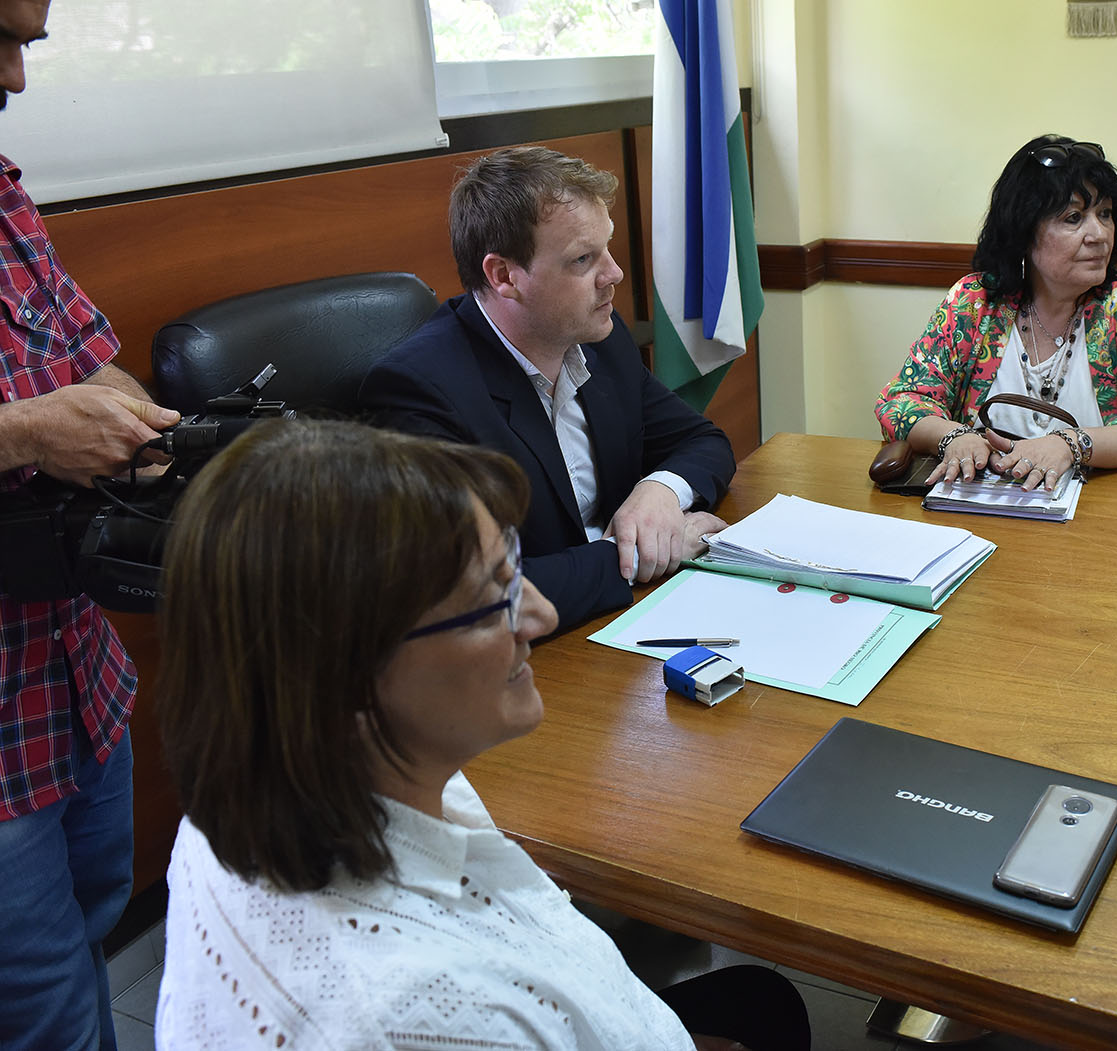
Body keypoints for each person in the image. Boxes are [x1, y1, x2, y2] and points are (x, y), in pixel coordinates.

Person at [154, 419, 809, 1050]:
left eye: (513, 565)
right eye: (492, 597)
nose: (541, 612)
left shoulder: (259, 788)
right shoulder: (423, 1013)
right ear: (348, 678)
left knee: (760, 1000)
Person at [0, 1, 183, 1047]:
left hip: (77, 683)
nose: (18, 78)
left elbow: (86, 350)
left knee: (94, 939)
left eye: (29, 41)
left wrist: (141, 421)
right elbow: (38, 410)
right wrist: (28, 428)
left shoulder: (5, 192)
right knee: (53, 1022)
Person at [361, 146, 736, 632]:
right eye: (583, 259)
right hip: (534, 663)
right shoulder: (419, 392)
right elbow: (469, 594)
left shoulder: (598, 338)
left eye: (608, 246)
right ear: (504, 276)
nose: (615, 274)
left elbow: (702, 441)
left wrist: (658, 491)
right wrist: (639, 554)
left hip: (623, 623)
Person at [875, 134, 1117, 490]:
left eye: (1104, 214)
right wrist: (954, 437)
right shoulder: (974, 301)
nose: (1099, 234)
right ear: (1024, 232)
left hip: (1099, 514)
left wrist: (1071, 444)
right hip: (980, 509)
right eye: (1073, 217)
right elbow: (901, 402)